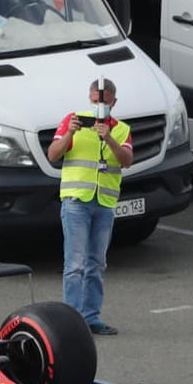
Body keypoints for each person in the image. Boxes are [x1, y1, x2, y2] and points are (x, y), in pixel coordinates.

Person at [46, 78, 133, 335]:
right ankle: (72, 321)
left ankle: (91, 317)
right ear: (89, 98)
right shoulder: (74, 120)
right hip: (76, 200)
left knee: (97, 263)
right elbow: (53, 154)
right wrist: (71, 132)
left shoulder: (121, 129)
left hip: (104, 202)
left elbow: (127, 160)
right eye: (95, 101)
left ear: (113, 102)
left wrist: (111, 140)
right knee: (75, 264)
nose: (99, 106)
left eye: (104, 102)